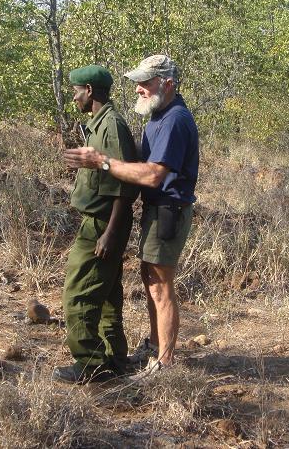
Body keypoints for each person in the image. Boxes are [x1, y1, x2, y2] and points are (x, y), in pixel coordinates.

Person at [64, 54, 199, 376]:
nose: (138, 89)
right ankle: (154, 348)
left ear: (167, 83)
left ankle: (164, 362)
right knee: (151, 280)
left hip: (169, 210)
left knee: (160, 286)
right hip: (158, 210)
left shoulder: (175, 119)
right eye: (137, 82)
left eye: (145, 82)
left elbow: (154, 175)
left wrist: (103, 162)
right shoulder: (159, 115)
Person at [52, 64, 139, 384]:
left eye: (76, 91)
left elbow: (124, 185)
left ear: (89, 91)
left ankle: (89, 364)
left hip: (102, 225)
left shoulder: (111, 126)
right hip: (102, 223)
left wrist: (110, 233)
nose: (74, 97)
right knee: (106, 296)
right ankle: (114, 360)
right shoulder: (101, 123)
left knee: (77, 296)